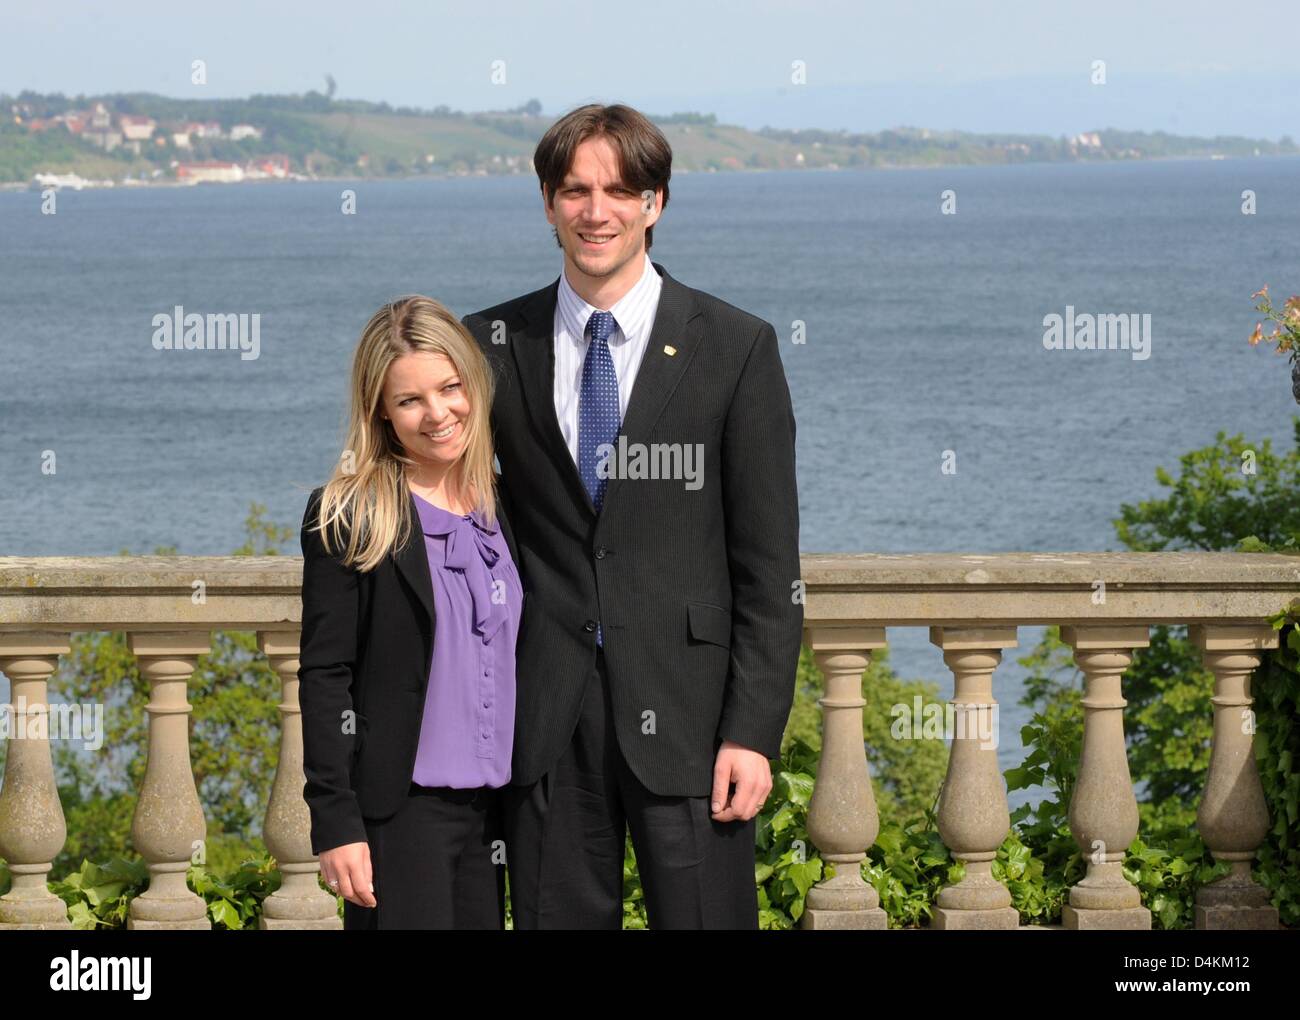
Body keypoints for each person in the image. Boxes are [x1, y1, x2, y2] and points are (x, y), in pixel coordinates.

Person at [462, 103, 802, 929]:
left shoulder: (736, 345)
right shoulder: (489, 343)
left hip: (693, 719)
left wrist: (752, 732)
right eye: (575, 190)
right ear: (547, 203)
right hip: (543, 716)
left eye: (619, 190)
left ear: (655, 202)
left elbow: (768, 569)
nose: (596, 210)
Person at [298, 295, 522, 929]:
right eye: (409, 400)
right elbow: (325, 675)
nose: (437, 414)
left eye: (450, 388)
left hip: (494, 817)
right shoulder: (349, 515)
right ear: (381, 413)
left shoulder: (504, 504)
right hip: (399, 816)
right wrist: (336, 821)